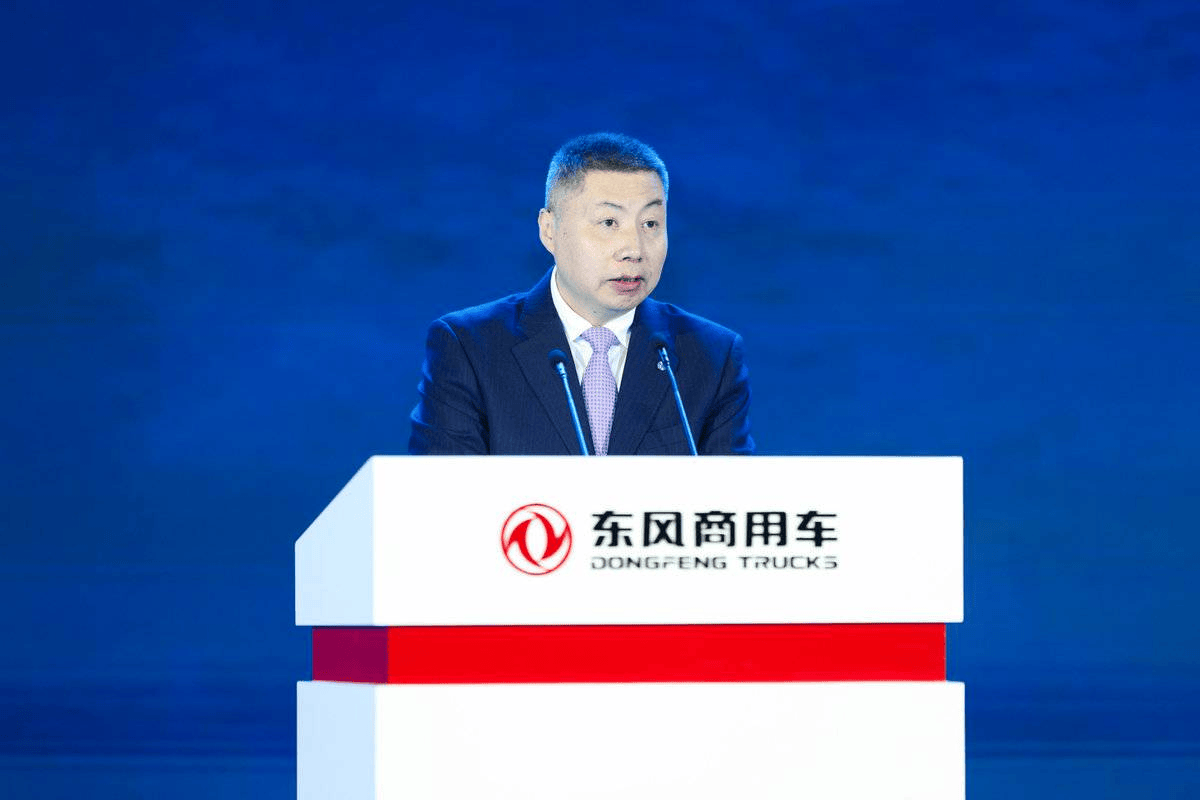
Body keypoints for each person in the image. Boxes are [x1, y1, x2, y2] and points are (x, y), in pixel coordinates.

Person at [408, 132, 754, 455]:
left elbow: (737, 496)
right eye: (609, 223)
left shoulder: (713, 355)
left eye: (650, 224)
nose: (634, 250)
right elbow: (441, 492)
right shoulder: (468, 347)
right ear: (549, 231)